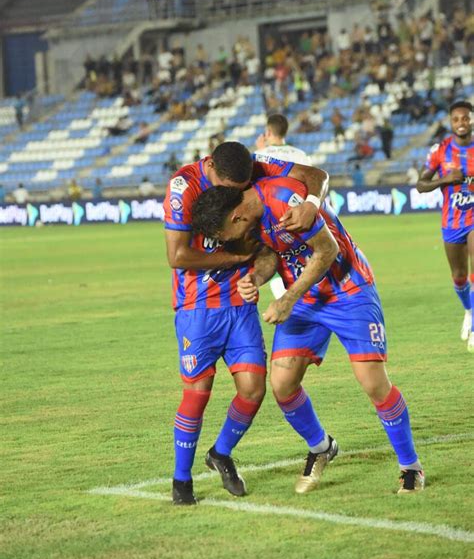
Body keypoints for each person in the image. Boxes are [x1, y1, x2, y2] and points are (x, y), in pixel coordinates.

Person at [191, 177, 425, 495]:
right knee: (282, 383)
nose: (226, 243)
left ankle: (410, 467)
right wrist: (256, 278)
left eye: (223, 236)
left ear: (235, 217)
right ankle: (321, 446)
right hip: (305, 300)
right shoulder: (252, 221)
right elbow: (271, 254)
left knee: (373, 382)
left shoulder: (284, 200)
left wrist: (288, 298)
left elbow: (328, 250)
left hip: (348, 291)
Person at [163, 141, 329, 505]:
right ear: (213, 171)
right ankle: (181, 482)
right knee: (197, 394)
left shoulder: (254, 168)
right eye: (232, 189)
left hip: (240, 301)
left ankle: (221, 453)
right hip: (197, 306)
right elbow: (177, 255)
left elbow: (314, 175)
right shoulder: (183, 187)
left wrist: (309, 204)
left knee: (254, 389)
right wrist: (238, 256)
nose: (241, 196)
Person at [416, 99, 474, 352]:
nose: (461, 123)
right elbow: (421, 184)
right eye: (456, 119)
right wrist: (445, 179)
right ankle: (469, 310)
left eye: (466, 118)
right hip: (451, 223)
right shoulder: (440, 150)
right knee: (459, 277)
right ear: (451, 123)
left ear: (472, 120)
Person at [255, 113, 310, 299]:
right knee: (303, 257)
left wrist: (260, 150)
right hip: (302, 215)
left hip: (273, 218)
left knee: (276, 260)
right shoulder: (301, 155)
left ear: (268, 131)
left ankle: (286, 295)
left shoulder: (261, 155)